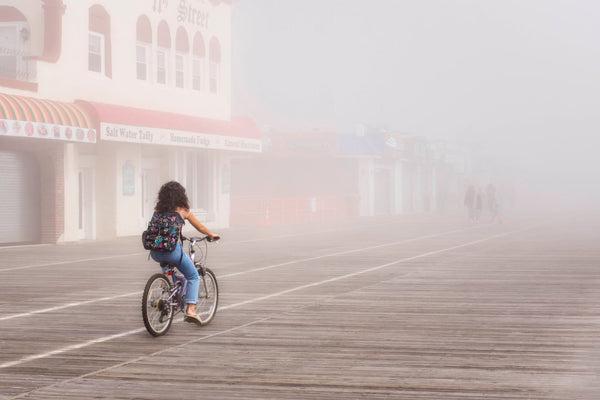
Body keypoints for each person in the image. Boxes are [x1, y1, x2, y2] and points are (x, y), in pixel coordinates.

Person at [149, 181, 220, 325]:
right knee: (193, 276)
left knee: (169, 276)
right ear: (181, 195)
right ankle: (191, 310)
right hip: (173, 253)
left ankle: (165, 293)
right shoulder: (183, 210)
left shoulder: (158, 211)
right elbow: (199, 226)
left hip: (156, 252)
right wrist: (211, 234)